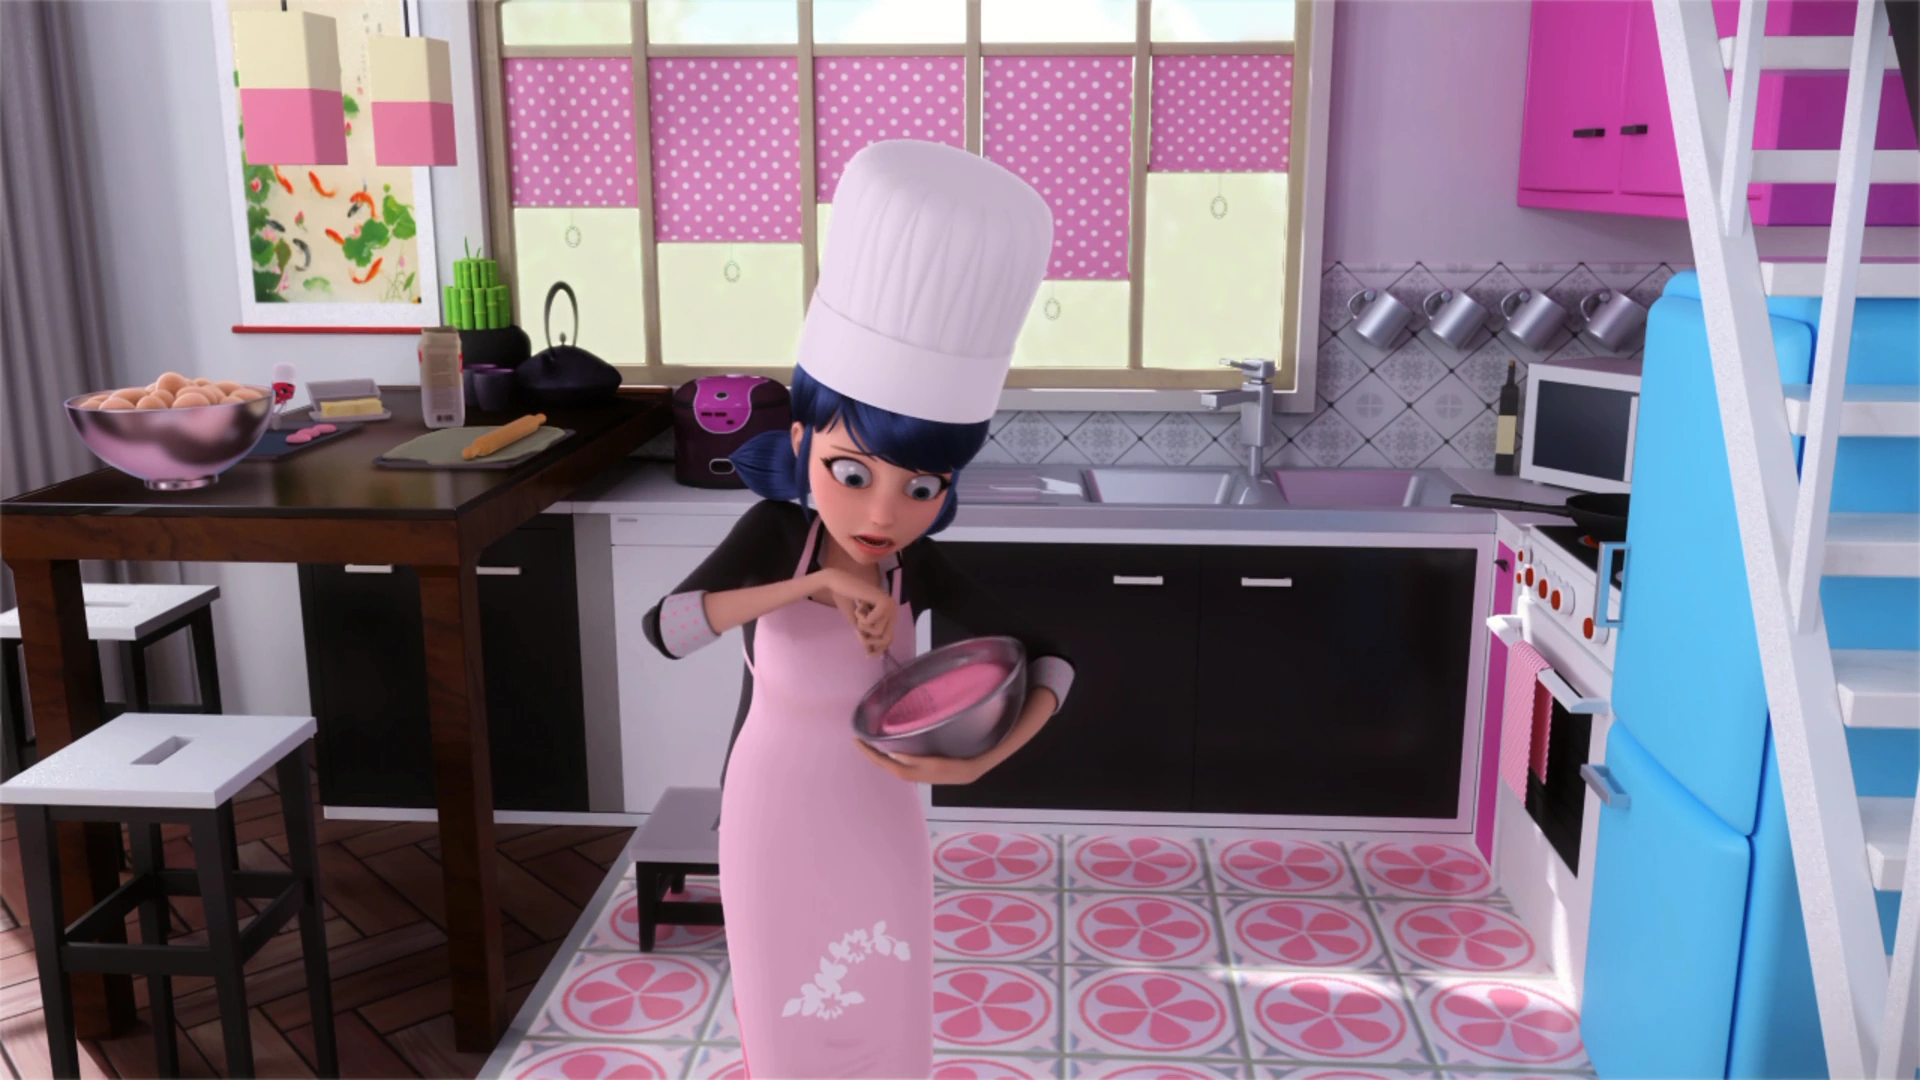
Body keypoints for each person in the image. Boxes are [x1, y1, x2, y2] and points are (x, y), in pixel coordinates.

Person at [639, 138, 1075, 1079]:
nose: (883, 515)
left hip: (881, 820)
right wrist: (815, 585)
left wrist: (984, 759)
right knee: (789, 1032)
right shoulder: (775, 535)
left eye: (920, 488)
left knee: (887, 1024)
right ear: (802, 444)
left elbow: (1054, 658)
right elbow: (666, 629)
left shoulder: (921, 568)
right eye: (851, 472)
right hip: (770, 820)